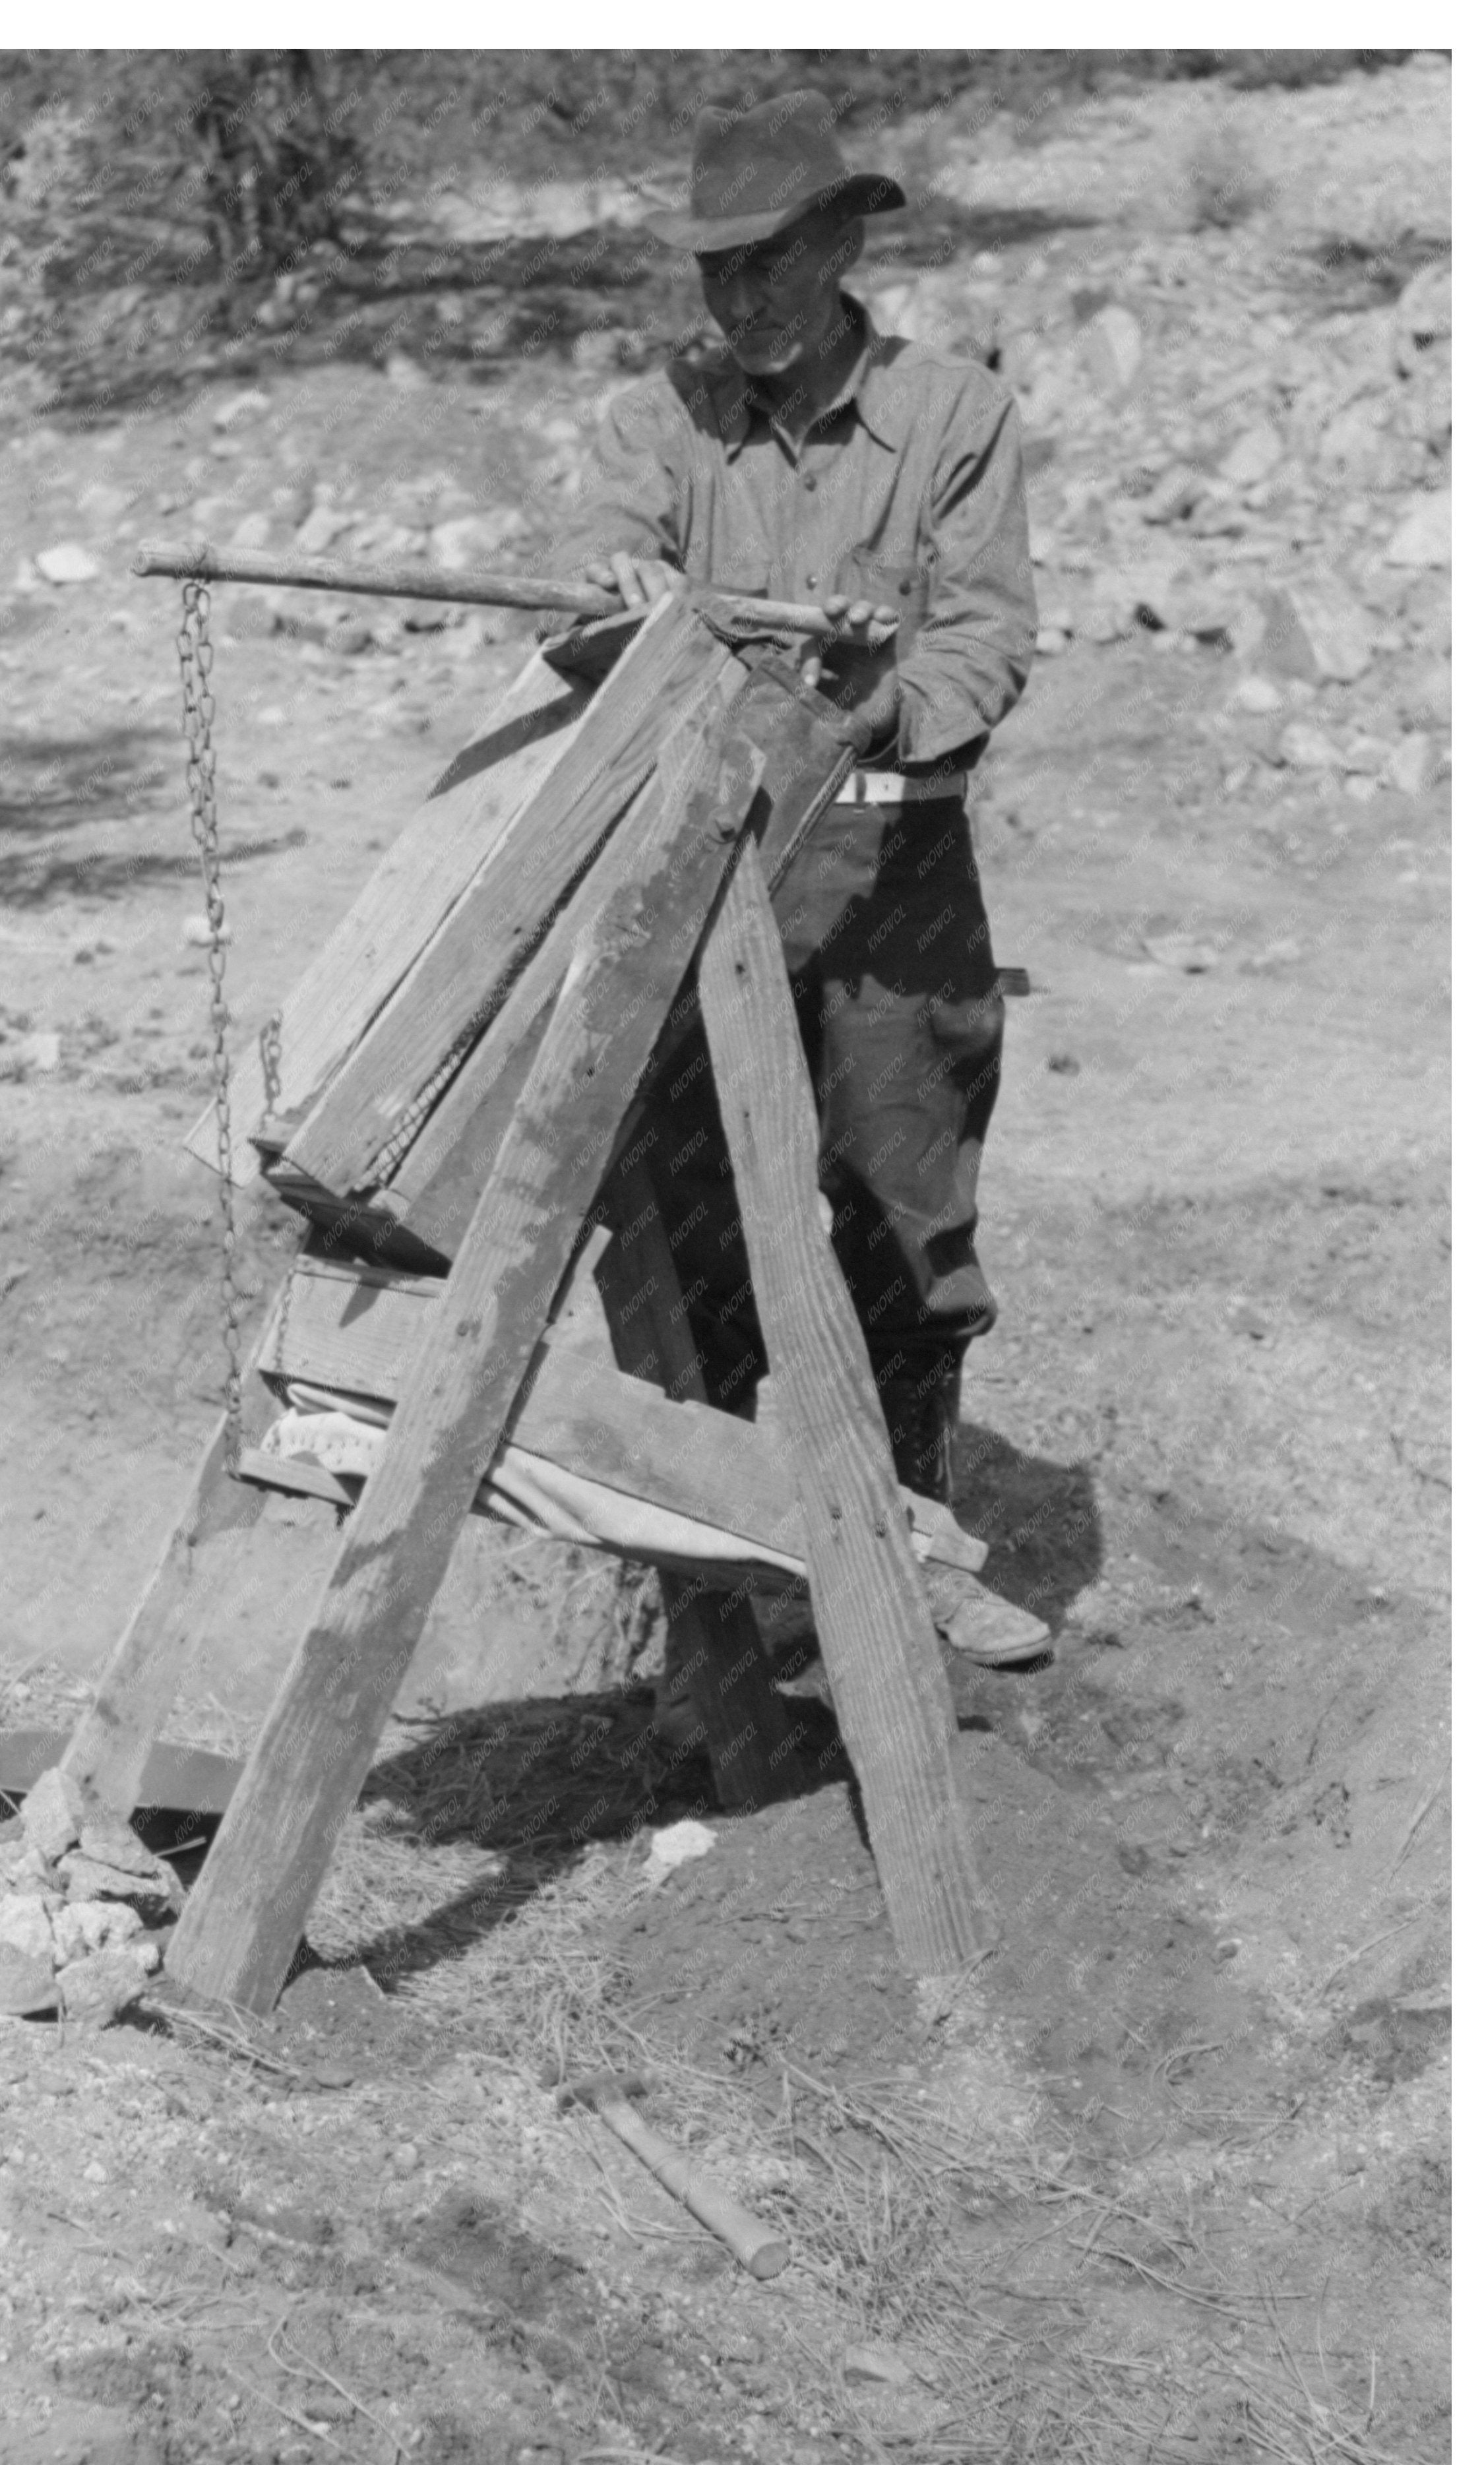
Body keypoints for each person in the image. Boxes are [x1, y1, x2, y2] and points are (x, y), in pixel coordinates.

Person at [563, 89, 1050, 1671]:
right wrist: (626, 606)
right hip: (703, 878)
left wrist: (877, 691)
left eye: (769, 265)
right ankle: (713, 1611)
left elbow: (986, 639)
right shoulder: (662, 417)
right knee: (689, 1234)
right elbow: (588, 593)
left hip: (890, 863)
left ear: (842, 245)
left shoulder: (954, 415)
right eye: (716, 272)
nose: (740, 303)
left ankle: (905, 1551)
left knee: (905, 1220)